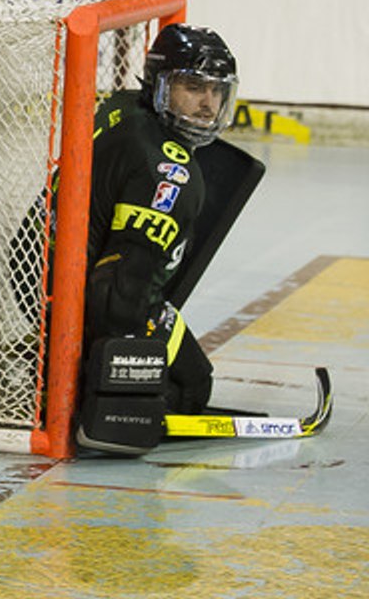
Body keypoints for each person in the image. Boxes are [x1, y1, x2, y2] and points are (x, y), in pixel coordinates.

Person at [73, 22, 240, 452]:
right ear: (162, 85)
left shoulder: (124, 105)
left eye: (216, 91)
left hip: (39, 265)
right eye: (192, 87)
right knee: (193, 383)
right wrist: (114, 386)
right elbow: (118, 294)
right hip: (74, 294)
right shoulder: (170, 173)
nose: (207, 104)